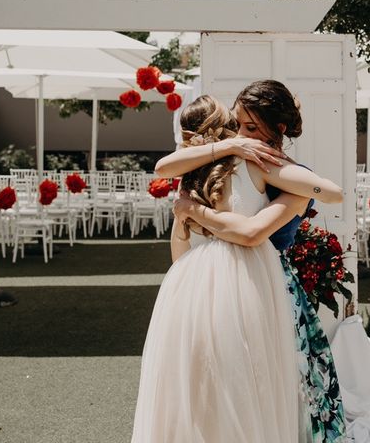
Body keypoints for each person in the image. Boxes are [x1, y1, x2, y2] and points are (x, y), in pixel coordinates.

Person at [131, 94, 340, 443]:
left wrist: (191, 212)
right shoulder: (238, 165)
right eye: (239, 126)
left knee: (200, 389)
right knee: (243, 383)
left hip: (193, 281)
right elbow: (331, 193)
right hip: (237, 279)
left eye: (249, 127)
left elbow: (185, 247)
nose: (244, 134)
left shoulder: (202, 176)